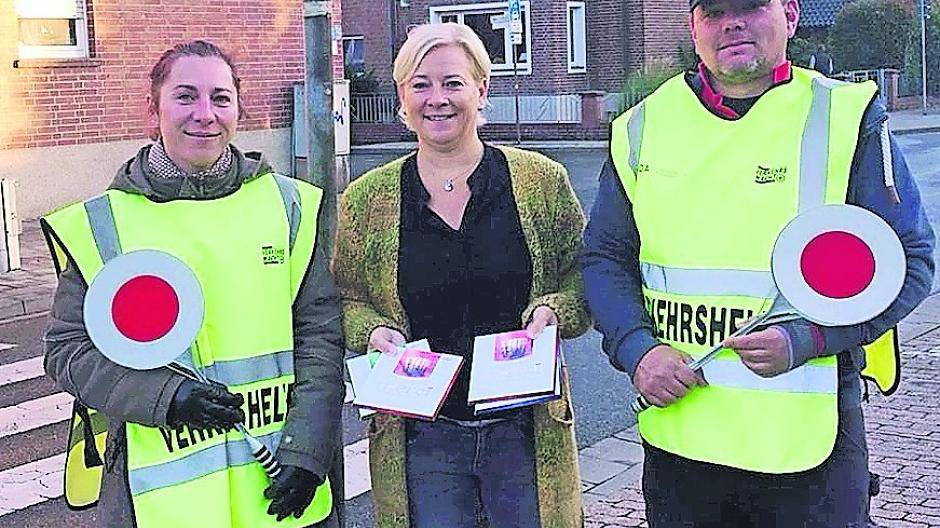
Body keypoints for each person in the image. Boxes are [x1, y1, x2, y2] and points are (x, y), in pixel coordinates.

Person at [581, 0, 935, 526]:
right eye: (715, 12)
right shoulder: (641, 126)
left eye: (751, 7)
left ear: (791, 15)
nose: (733, 24)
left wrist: (808, 340)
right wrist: (637, 351)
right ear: (693, 26)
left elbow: (908, 261)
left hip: (806, 450)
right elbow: (605, 257)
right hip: (682, 448)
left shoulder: (846, 116)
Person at [41, 40, 345, 527]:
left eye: (220, 98)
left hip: (279, 482)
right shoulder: (104, 224)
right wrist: (166, 398)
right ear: (153, 109)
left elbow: (321, 336)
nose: (204, 114)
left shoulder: (287, 206)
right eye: (185, 96)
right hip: (158, 498)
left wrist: (308, 450)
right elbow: (67, 351)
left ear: (238, 111)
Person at [333, 23, 590, 528]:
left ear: (481, 89)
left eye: (452, 83)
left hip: (525, 430)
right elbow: (345, 299)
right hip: (423, 436)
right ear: (402, 97)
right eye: (420, 84)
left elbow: (583, 276)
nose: (437, 99)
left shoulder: (541, 181)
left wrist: (553, 310)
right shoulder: (367, 199)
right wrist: (370, 331)